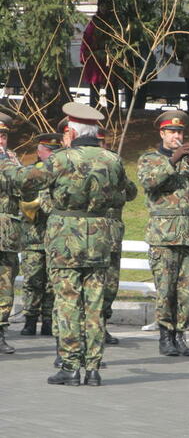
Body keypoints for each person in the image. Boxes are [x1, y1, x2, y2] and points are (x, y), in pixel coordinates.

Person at [7, 102, 127, 387]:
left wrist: (6, 163)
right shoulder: (112, 159)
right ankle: (94, 368)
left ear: (70, 131)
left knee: (68, 302)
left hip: (65, 238)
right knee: (95, 304)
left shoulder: (60, 159)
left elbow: (24, 180)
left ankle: (71, 366)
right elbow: (124, 192)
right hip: (100, 236)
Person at [137, 111, 189, 357]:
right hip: (163, 236)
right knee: (165, 289)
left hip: (188, 235)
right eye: (172, 132)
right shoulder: (150, 159)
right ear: (162, 133)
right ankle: (165, 336)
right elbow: (148, 183)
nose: (176, 136)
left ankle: (181, 335)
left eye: (179, 132)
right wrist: (172, 161)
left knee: (186, 290)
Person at [97, 128, 138, 345]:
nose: (101, 147)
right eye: (98, 143)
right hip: (93, 236)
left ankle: (102, 325)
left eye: (104, 143)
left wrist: (119, 176)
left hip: (112, 236)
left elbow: (132, 193)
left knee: (110, 286)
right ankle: (89, 328)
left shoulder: (114, 166)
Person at [19, 133, 62, 336]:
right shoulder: (31, 172)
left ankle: (48, 320)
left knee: (52, 283)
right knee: (32, 281)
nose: (51, 155)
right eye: (48, 151)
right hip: (34, 237)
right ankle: (29, 319)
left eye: (55, 151)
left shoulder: (61, 172)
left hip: (55, 237)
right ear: (39, 152)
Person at [0, 113, 21, 354]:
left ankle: (1, 331)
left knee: (5, 284)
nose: (1, 140)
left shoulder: (13, 159)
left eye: (4, 135)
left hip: (8, 234)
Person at [80, 0, 116, 111]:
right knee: (94, 86)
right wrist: (83, 56)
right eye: (101, 6)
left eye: (106, 6)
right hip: (94, 59)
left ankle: (113, 110)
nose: (104, 8)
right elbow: (86, 40)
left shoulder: (114, 23)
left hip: (110, 59)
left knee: (111, 85)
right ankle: (93, 109)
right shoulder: (94, 23)